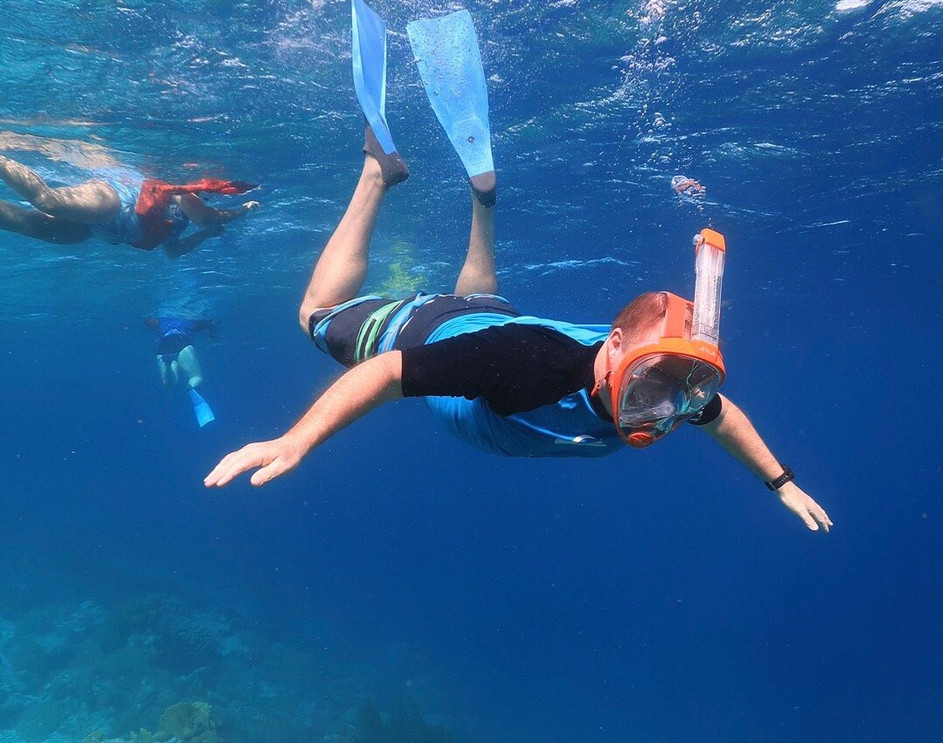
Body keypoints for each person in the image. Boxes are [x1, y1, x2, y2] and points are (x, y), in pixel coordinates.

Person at [204, 4, 831, 531]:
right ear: (613, 347)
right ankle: (376, 175)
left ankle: (483, 197)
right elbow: (390, 374)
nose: (662, 416)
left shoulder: (669, 384)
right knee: (314, 316)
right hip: (425, 328)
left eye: (677, 397)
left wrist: (780, 483)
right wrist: (296, 441)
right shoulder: (524, 366)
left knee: (482, 307)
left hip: (493, 320)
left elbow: (721, 417)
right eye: (648, 391)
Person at [0, 155, 259, 258]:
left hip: (98, 231)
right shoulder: (185, 195)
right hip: (115, 201)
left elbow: (174, 252)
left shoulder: (180, 223)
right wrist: (243, 210)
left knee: (25, 224)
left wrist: (205, 235)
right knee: (48, 201)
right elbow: (209, 219)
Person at [145, 316, 217, 427]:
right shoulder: (189, 321)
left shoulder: (160, 322)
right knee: (196, 377)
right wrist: (213, 334)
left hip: (163, 346)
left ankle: (168, 365)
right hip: (182, 343)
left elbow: (147, 321)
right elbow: (210, 322)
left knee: (170, 384)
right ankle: (190, 387)